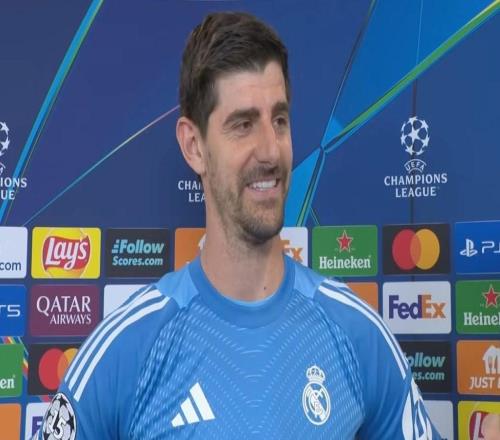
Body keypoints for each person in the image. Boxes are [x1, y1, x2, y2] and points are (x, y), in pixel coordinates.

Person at [34, 11, 442, 440]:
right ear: (194, 146)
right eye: (243, 125)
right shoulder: (129, 350)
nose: (270, 150)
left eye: (279, 120)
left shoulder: (356, 335)